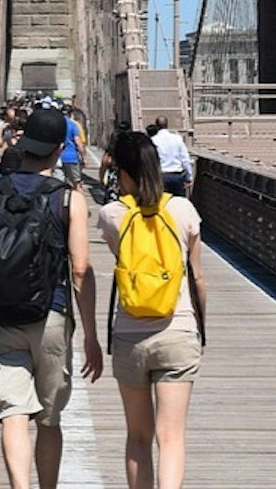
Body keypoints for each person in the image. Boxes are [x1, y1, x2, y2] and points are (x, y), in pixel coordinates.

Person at [0, 103, 104, 489]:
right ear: (60, 149)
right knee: (48, 419)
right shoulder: (70, 199)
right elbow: (79, 270)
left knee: (12, 414)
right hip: (51, 317)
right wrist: (90, 335)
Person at [98, 131, 206, 489]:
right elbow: (197, 278)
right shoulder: (183, 209)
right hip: (178, 330)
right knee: (171, 437)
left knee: (138, 437)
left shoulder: (112, 215)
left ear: (123, 173)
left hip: (130, 334)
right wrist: (199, 327)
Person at [151, 116, 193, 198]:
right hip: (177, 176)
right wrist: (189, 177)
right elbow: (185, 159)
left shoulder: (153, 140)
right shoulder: (177, 139)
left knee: (163, 205)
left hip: (161, 177)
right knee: (178, 204)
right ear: (167, 125)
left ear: (156, 126)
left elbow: (152, 161)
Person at [58, 101, 85, 187]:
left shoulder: (57, 124)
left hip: (57, 158)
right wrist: (83, 157)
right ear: (71, 114)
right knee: (76, 185)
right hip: (71, 158)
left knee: (58, 185)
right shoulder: (73, 125)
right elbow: (78, 142)